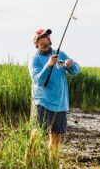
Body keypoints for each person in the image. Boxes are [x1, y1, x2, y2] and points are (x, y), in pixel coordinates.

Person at [29, 27, 81, 156]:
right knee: (36, 134)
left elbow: (76, 71)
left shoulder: (61, 54)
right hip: (42, 102)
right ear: (37, 42)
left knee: (56, 137)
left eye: (47, 35)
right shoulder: (34, 59)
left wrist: (71, 64)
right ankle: (28, 163)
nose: (47, 37)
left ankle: (52, 165)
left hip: (60, 104)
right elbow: (38, 81)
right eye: (43, 36)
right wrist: (48, 65)